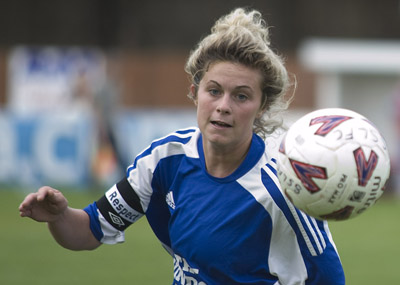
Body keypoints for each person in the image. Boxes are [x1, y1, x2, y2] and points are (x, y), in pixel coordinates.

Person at [19, 7, 345, 284]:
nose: (223, 105)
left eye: (241, 96)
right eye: (214, 91)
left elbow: (330, 277)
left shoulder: (283, 188)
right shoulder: (165, 160)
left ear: (261, 107)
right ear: (195, 92)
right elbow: (89, 229)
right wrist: (59, 216)